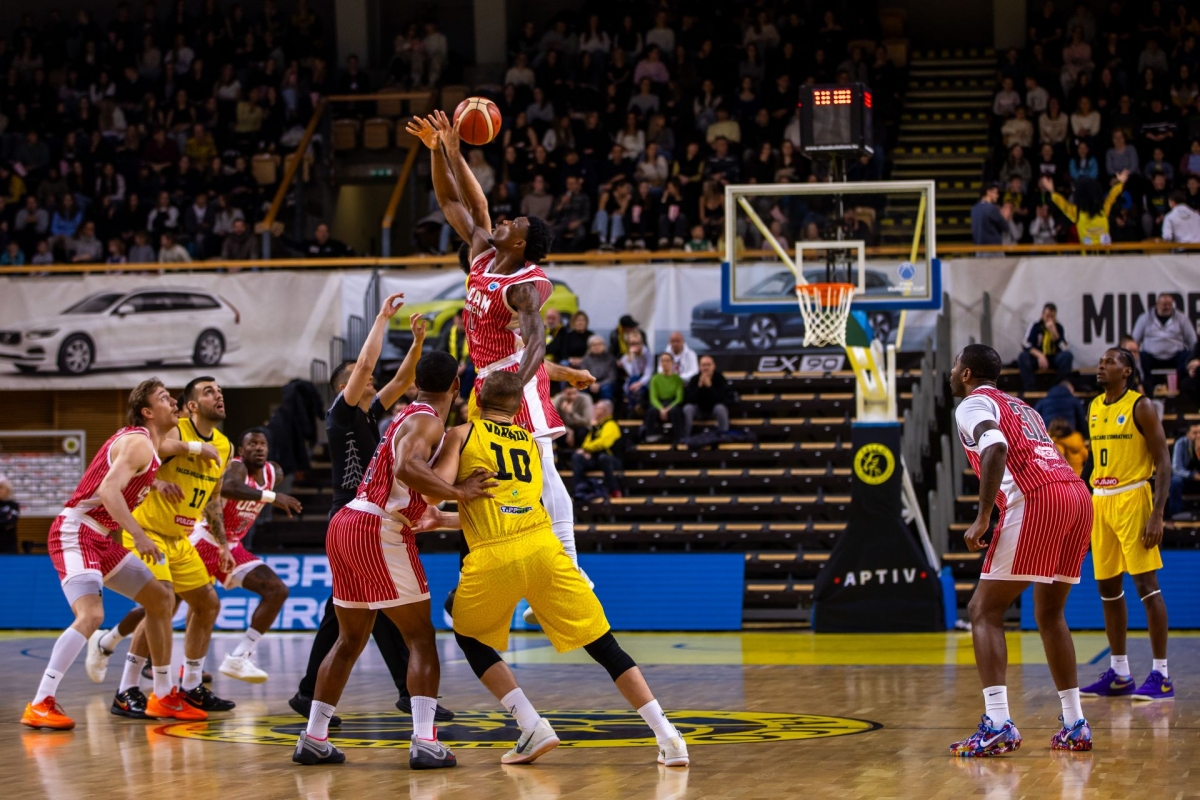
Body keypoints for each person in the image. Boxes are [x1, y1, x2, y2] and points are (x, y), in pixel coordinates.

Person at [417, 371, 690, 767]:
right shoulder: (529, 442)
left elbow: (433, 491)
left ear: (477, 399)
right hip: (543, 547)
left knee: (468, 635)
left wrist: (439, 492)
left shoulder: (462, 433)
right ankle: (668, 737)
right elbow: (510, 507)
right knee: (605, 646)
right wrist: (447, 520)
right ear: (517, 408)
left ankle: (530, 724)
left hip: (495, 554)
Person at [408, 110, 596, 604]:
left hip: (516, 384)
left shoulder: (523, 285)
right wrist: (441, 150)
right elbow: (457, 201)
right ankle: (510, 573)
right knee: (500, 477)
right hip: (486, 383)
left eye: (514, 223)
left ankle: (573, 572)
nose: (504, 220)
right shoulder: (483, 255)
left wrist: (519, 385)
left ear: (520, 243)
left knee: (545, 471)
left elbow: (535, 343)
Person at [292, 352, 497, 768]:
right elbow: (406, 468)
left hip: (348, 523)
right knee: (420, 637)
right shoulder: (428, 421)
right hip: (379, 528)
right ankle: (425, 740)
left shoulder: (408, 415)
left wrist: (452, 505)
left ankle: (314, 737)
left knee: (349, 640)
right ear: (456, 386)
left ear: (417, 383)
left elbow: (417, 487)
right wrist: (459, 492)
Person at [291, 296, 454, 726]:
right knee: (372, 624)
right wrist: (382, 319)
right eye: (360, 378)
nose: (369, 379)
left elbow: (404, 380)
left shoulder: (370, 415)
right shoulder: (342, 414)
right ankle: (408, 704)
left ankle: (324, 705)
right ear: (344, 387)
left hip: (362, 516)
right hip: (359, 512)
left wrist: (417, 344)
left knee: (355, 624)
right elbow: (366, 364)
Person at [21, 381, 204, 730]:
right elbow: (108, 490)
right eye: (164, 398)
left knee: (160, 599)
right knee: (91, 615)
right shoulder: (138, 442)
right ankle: (41, 702)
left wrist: (193, 451)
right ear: (147, 412)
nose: (173, 402)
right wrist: (139, 535)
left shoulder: (150, 444)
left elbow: (171, 446)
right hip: (76, 530)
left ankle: (162, 694)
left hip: (101, 536)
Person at [949, 344, 1094, 756]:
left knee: (983, 610)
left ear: (966, 373)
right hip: (1076, 496)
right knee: (1050, 614)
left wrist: (982, 517)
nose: (953, 371)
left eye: (956, 365)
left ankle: (998, 724)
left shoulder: (972, 404)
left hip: (1037, 497)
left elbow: (995, 446)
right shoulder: (1021, 406)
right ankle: (1075, 724)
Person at [111, 377, 236, 717]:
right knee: (161, 602)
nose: (218, 395)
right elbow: (143, 456)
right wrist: (161, 478)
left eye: (220, 391)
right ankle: (127, 688)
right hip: (147, 530)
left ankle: (192, 685)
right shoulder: (176, 429)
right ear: (192, 406)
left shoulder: (225, 445)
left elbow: (213, 499)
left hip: (179, 538)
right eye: (209, 392)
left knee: (207, 604)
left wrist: (223, 544)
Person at [1080, 348, 1175, 701]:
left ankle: (1161, 675)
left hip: (1133, 498)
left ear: (1127, 371)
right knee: (1107, 587)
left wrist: (1157, 514)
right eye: (1101, 361)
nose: (1102, 365)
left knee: (1147, 585)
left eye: (1110, 361)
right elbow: (1094, 462)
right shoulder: (1093, 407)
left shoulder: (1141, 406)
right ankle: (1119, 673)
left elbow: (1163, 462)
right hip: (1101, 501)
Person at [188, 429, 303, 681]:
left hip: (233, 546)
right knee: (165, 605)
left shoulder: (274, 473)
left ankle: (239, 656)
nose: (258, 448)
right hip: (205, 541)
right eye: (252, 444)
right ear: (241, 451)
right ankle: (113, 640)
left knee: (276, 590)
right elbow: (230, 487)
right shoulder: (237, 468)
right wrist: (271, 497)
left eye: (263, 444)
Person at [1131, 293, 1196, 395]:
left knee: (1188, 356)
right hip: (1151, 356)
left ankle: (1173, 386)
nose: (1166, 307)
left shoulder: (1182, 318)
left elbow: (1192, 340)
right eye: (1163, 304)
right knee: (1140, 357)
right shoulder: (1144, 318)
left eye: (1169, 304)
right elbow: (1134, 340)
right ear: (1157, 304)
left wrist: (1195, 357)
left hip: (1175, 356)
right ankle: (1150, 388)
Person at [1040, 171, 1128, 245]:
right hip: (1091, 257)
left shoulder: (1078, 213)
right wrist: (1120, 183)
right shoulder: (1103, 210)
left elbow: (1064, 205)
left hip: (1103, 257)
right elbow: (1111, 196)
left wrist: (1052, 191)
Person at [573, 400, 625, 498]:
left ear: (605, 411)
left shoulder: (611, 425)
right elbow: (586, 442)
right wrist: (585, 450)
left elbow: (604, 443)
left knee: (603, 457)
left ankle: (614, 489)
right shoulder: (596, 426)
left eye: (597, 408)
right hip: (596, 458)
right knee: (577, 457)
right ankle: (579, 488)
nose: (594, 411)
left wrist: (587, 449)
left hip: (612, 459)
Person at [1018, 303, 1074, 391]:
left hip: (1054, 358)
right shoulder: (1036, 325)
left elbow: (1065, 348)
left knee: (1067, 356)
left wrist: (1055, 333)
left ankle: (1059, 387)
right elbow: (1025, 343)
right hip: (1038, 358)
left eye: (1052, 316)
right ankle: (1030, 389)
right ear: (1043, 314)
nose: (1049, 319)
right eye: (1047, 316)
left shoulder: (1059, 327)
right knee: (1023, 357)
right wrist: (1040, 355)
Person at [681, 355, 732, 441]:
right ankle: (685, 438)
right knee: (687, 408)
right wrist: (699, 387)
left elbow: (722, 399)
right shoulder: (694, 379)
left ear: (713, 366)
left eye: (708, 365)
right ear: (699, 367)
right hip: (698, 409)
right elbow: (689, 399)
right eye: (703, 365)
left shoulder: (719, 378)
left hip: (714, 409)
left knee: (721, 408)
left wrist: (710, 387)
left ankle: (723, 436)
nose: (706, 368)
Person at [643, 353, 685, 443]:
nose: (665, 363)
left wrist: (668, 409)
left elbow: (679, 398)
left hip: (672, 402)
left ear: (672, 363)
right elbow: (653, 398)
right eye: (663, 361)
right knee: (651, 411)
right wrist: (661, 409)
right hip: (659, 402)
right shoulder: (655, 379)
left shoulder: (678, 379)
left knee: (675, 411)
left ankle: (679, 437)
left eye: (667, 361)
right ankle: (650, 436)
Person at [1169, 423, 1200, 517]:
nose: (1198, 436)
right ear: (1188, 434)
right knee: (1175, 481)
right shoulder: (1180, 443)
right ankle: (1175, 514)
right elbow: (1176, 468)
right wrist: (1192, 475)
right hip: (1186, 478)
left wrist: (1198, 452)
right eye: (1195, 433)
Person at [0, 474, 17, 554]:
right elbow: (6, 521)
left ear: (7, 490)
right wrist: (5, 518)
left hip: (9, 547)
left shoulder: (13, 505)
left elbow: (12, 520)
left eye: (1, 488)